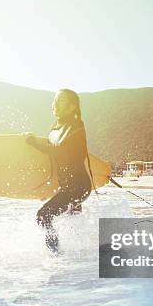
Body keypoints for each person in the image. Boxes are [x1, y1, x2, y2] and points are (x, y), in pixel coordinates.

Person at [24, 89, 92, 253]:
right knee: (73, 222)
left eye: (59, 101)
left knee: (43, 216)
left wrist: (33, 142)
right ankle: (82, 255)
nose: (54, 104)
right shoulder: (57, 127)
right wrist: (47, 189)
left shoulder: (76, 126)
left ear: (71, 107)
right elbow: (55, 163)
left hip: (78, 187)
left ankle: (56, 255)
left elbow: (59, 150)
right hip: (68, 187)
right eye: (54, 100)